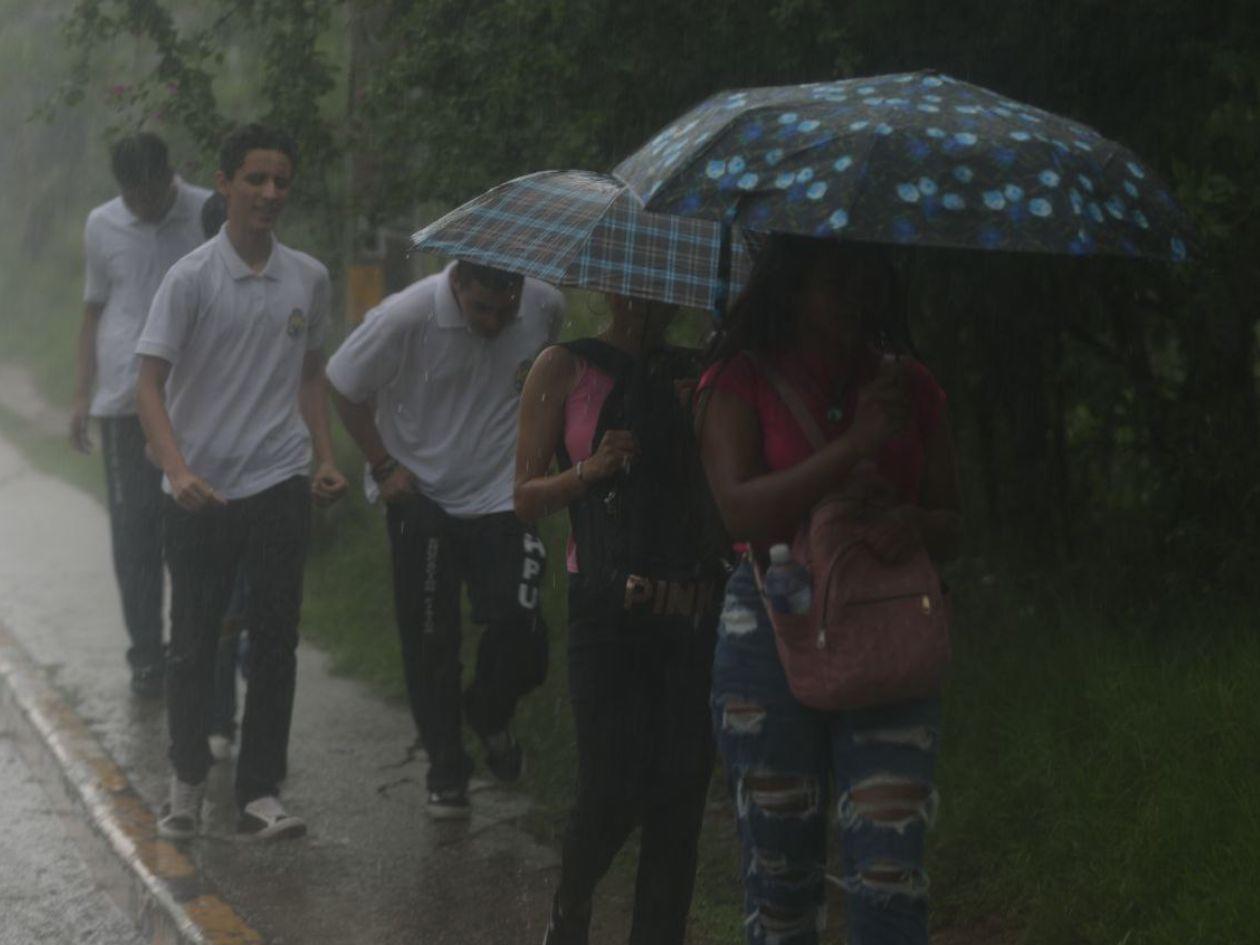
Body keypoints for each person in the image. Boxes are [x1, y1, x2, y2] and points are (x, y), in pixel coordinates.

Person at [696, 235, 961, 945]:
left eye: (867, 279)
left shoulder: (915, 387)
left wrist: (915, 524)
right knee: (781, 876)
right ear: (790, 289)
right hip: (770, 628)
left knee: (889, 872)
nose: (855, 296)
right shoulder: (737, 378)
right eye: (833, 282)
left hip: (888, 624)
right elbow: (741, 512)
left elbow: (955, 520)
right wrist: (855, 444)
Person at [135, 123, 348, 841]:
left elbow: (311, 372)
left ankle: (260, 791)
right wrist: (177, 468)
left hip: (279, 479)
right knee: (192, 642)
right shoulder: (190, 278)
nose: (269, 193)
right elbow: (149, 382)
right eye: (255, 178)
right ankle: (187, 782)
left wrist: (322, 454)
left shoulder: (308, 278)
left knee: (277, 638)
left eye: (281, 180)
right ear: (224, 184)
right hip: (200, 490)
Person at [515, 295, 727, 945]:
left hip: (690, 609)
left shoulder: (702, 373)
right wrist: (591, 470)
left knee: (679, 797)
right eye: (633, 290)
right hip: (606, 611)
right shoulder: (565, 367)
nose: (646, 303)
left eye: (661, 294)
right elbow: (524, 496)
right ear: (614, 287)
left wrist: (700, 405)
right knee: (611, 783)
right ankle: (571, 904)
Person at [326, 260, 562, 818]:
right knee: (431, 640)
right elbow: (341, 383)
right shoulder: (405, 316)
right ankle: (446, 766)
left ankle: (487, 712)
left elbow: (546, 377)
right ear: (457, 283)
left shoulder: (546, 304)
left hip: (502, 495)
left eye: (507, 307)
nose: (496, 319)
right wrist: (383, 466)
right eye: (482, 307)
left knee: (523, 633)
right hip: (421, 495)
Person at [71, 132, 211, 696]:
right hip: (125, 403)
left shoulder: (207, 212)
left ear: (169, 177)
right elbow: (93, 310)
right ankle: (147, 656)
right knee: (134, 536)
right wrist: (81, 395)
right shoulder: (101, 225)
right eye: (131, 196)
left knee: (194, 528)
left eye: (150, 194)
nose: (142, 205)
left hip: (192, 402)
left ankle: (196, 649)